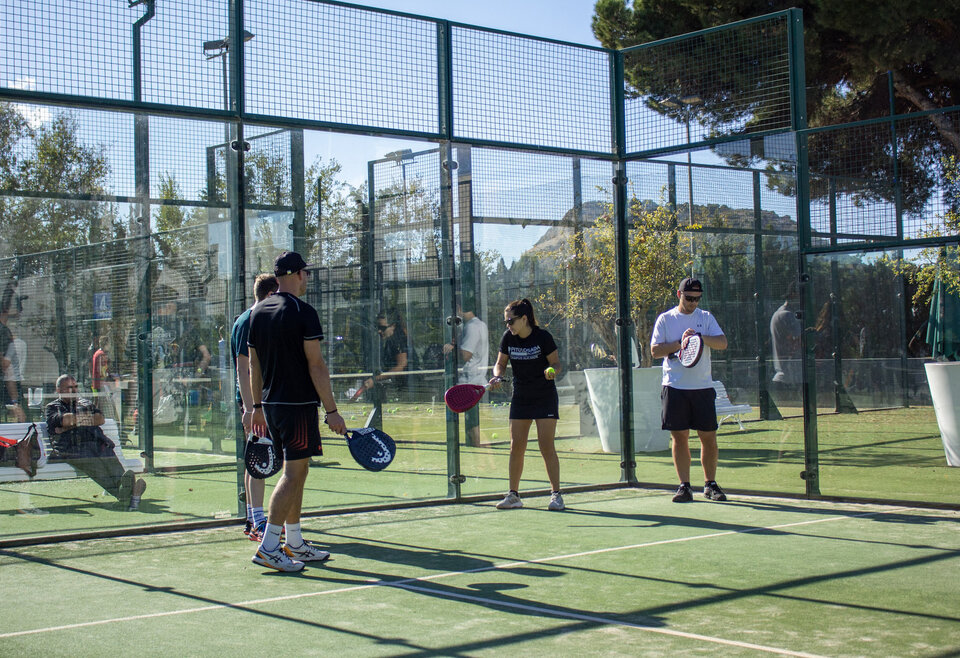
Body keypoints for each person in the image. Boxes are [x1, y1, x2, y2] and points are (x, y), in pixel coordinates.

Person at [248, 251, 346, 572]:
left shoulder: (257, 312)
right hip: (298, 406)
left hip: (272, 407)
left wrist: (257, 406)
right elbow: (316, 365)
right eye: (306, 273)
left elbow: (254, 363)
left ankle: (294, 541)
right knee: (293, 475)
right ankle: (270, 546)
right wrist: (332, 410)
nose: (308, 279)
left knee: (299, 473)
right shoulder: (304, 312)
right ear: (298, 274)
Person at [651, 277, 729, 503]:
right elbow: (655, 351)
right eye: (689, 298)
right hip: (675, 387)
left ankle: (710, 484)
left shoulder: (705, 318)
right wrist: (680, 343)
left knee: (708, 437)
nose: (693, 303)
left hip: (702, 388)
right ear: (679, 294)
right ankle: (684, 486)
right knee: (680, 437)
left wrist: (699, 338)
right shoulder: (666, 319)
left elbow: (722, 342)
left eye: (697, 298)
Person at [490, 298, 564, 511]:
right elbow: (500, 364)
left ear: (524, 319)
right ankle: (513, 495)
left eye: (511, 321)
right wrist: (497, 376)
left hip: (544, 397)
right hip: (521, 397)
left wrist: (553, 371)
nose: (508, 325)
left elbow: (556, 363)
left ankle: (556, 495)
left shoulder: (543, 337)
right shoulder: (508, 338)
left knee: (546, 446)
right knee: (516, 447)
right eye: (506, 322)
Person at [45, 374, 146, 509]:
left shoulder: (84, 402)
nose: (74, 390)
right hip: (73, 449)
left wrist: (71, 424)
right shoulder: (52, 407)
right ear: (59, 390)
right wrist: (85, 420)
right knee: (96, 465)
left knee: (110, 460)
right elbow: (66, 419)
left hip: (97, 442)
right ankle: (130, 493)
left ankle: (126, 491)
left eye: (75, 387)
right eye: (70, 388)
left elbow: (99, 419)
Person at [231, 273, 279, 541]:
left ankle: (254, 520)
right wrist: (250, 408)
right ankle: (257, 522)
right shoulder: (248, 321)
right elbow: (242, 367)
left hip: (262, 403)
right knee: (259, 460)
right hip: (254, 404)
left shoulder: (259, 319)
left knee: (257, 461)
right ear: (271, 294)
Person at [444, 305, 489, 446]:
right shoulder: (479, 325)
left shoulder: (472, 327)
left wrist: (451, 348)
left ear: (458, 307)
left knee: (471, 426)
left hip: (469, 382)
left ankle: (478, 450)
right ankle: (478, 449)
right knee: (472, 423)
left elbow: (465, 355)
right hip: (475, 381)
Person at [362, 309, 409, 400]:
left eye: (383, 328)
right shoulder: (390, 341)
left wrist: (375, 379)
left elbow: (401, 366)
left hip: (407, 386)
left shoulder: (398, 338)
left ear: (393, 326)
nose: (379, 331)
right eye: (378, 327)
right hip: (400, 385)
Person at [0, 286, 25, 422]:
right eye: (17, 303)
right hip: (8, 389)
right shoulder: (3, 332)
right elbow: (6, 366)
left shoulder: (6, 331)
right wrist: (14, 401)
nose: (21, 309)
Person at [770, 286, 802, 385]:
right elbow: (800, 340)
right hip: (789, 378)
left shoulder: (778, 313)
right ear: (793, 294)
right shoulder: (787, 315)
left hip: (783, 376)